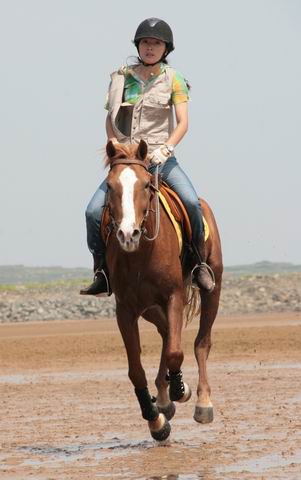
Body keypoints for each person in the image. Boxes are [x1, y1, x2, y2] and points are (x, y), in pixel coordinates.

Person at [80, 17, 215, 297]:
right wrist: (114, 142)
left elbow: (183, 123)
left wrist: (166, 148)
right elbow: (110, 118)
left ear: (165, 49)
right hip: (127, 161)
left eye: (156, 43)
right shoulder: (121, 78)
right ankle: (102, 271)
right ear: (138, 46)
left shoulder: (174, 80)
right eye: (145, 43)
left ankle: (199, 264)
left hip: (160, 158)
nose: (150, 48)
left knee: (191, 202)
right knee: (93, 212)